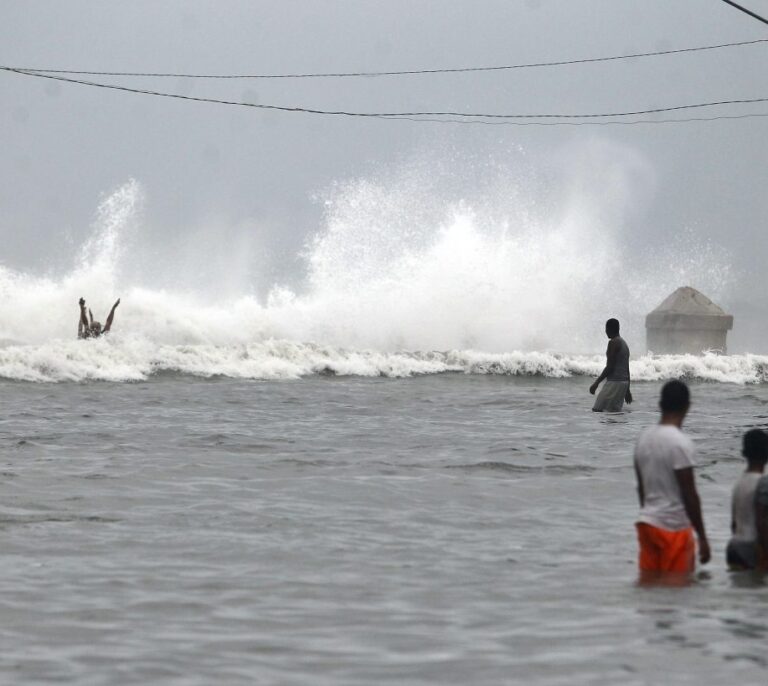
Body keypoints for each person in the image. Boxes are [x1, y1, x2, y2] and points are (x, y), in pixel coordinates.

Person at [634, 380, 710, 582]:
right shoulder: (680, 443)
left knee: (650, 587)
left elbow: (641, 489)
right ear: (687, 406)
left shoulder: (643, 439)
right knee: (677, 591)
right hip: (673, 529)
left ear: (660, 405)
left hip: (647, 524)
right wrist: (702, 536)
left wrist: (649, 512)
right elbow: (689, 494)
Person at [726, 429, 768, 570]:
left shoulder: (740, 482)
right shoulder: (763, 483)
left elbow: (733, 523)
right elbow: (761, 521)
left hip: (734, 546)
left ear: (744, 453)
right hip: (753, 547)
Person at [590, 318, 632, 412]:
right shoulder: (624, 344)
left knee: (597, 410)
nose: (605, 331)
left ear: (610, 329)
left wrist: (596, 383)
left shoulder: (613, 342)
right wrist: (627, 390)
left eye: (606, 328)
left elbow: (610, 367)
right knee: (613, 414)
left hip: (615, 382)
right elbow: (627, 369)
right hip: (623, 384)